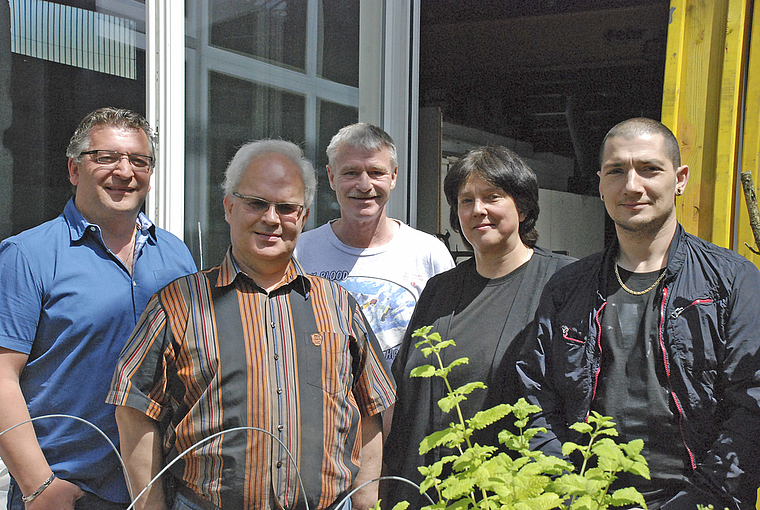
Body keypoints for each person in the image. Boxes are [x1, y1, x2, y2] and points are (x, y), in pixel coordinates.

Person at [107, 140, 396, 510]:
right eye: (256, 203)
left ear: (303, 217)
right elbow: (133, 408)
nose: (272, 219)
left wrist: (366, 501)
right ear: (229, 207)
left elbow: (371, 408)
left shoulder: (338, 305)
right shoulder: (179, 304)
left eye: (287, 208)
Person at [516, 118, 760, 510]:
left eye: (649, 169)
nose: (632, 186)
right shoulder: (568, 288)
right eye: (616, 171)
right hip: (588, 498)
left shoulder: (732, 282)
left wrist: (704, 499)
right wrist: (569, 487)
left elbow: (752, 404)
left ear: (679, 179)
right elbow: (535, 395)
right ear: (599, 184)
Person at [0, 107, 197, 510]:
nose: (125, 172)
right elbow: (2, 377)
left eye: (139, 161)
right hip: (68, 492)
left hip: (159, 488)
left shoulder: (175, 255)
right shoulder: (27, 255)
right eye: (106, 157)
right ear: (74, 169)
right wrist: (39, 486)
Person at [382, 146, 574, 508]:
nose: (478, 210)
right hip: (431, 493)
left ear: (523, 205)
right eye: (465, 200)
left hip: (518, 494)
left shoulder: (562, 283)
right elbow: (405, 393)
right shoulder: (440, 290)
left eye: (492, 196)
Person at [294, 123, 454, 364]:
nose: (364, 185)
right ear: (331, 177)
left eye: (376, 172)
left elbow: (450, 342)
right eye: (351, 173)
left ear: (393, 177)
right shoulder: (300, 251)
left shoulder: (428, 254)